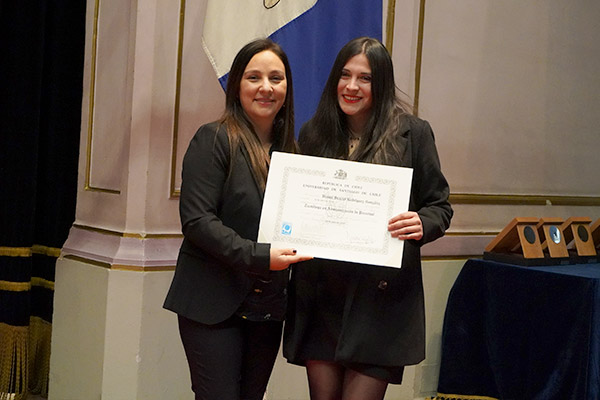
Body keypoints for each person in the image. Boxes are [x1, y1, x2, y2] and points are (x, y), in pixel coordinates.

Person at [283, 37, 453, 400]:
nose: (352, 86)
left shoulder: (413, 133)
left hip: (379, 303)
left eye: (365, 78)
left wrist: (422, 223)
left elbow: (440, 207)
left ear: (382, 84)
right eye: (345, 75)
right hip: (322, 295)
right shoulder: (314, 133)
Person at [163, 38, 311, 400]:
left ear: (287, 88)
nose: (266, 87)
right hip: (212, 302)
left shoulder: (294, 154)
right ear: (236, 86)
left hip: (268, 307)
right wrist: (261, 257)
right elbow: (197, 221)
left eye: (276, 78)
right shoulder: (214, 139)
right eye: (254, 77)